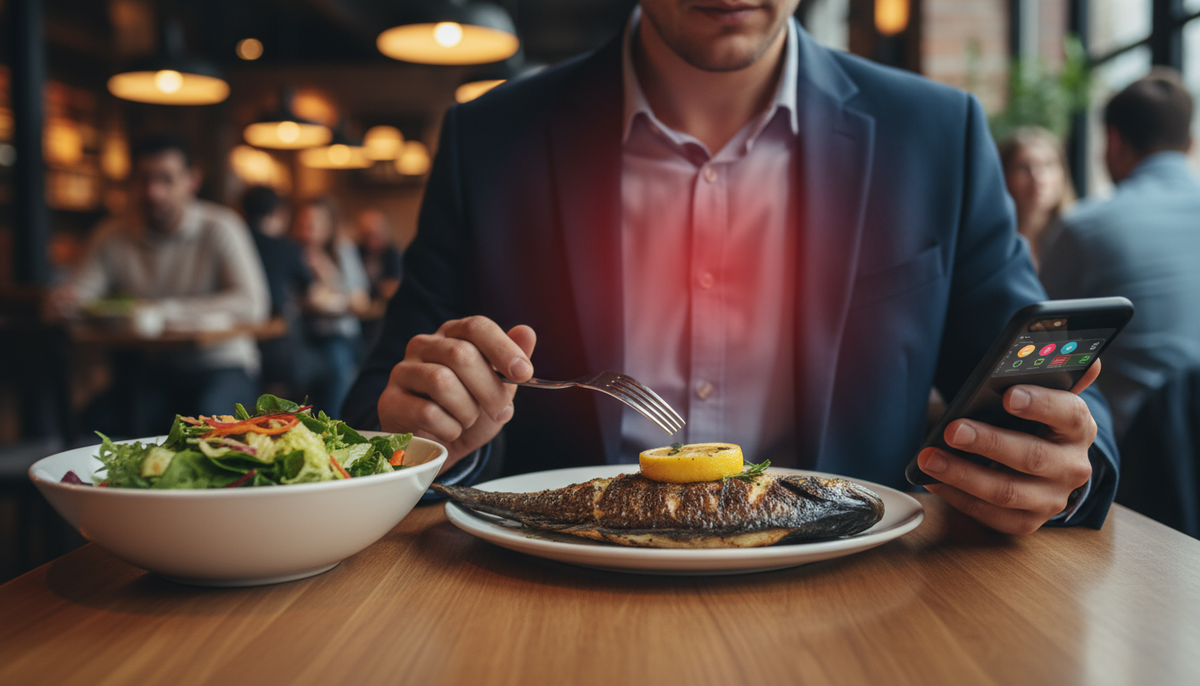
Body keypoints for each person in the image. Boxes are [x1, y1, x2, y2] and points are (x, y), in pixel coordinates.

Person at [344, 0, 1118, 534]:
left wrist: (1060, 466)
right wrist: (429, 430)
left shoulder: (934, 135)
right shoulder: (491, 140)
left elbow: (1040, 381)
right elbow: (380, 412)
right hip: (560, 598)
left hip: (856, 602)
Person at [57, 134, 269, 435]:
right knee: (93, 425)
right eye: (144, 180)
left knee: (207, 432)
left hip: (222, 365)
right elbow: (81, 296)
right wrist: (67, 302)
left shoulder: (221, 227)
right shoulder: (112, 235)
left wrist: (161, 311)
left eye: (166, 180)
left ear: (192, 181)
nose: (153, 192)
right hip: (153, 369)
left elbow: (253, 304)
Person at [1040, 69, 1200, 442]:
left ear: (1114, 142)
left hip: (1137, 464)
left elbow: (1031, 356)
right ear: (1190, 143)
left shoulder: (1087, 229)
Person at [292, 198, 370, 417]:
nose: (308, 230)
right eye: (304, 223)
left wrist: (323, 268)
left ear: (328, 226)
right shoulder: (292, 252)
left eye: (314, 223)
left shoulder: (342, 250)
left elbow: (359, 298)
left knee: (337, 364)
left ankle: (336, 425)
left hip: (338, 334)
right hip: (302, 335)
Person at [242, 186, 321, 398]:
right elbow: (310, 291)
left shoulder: (237, 242)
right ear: (278, 212)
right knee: (330, 364)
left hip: (242, 339)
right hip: (276, 347)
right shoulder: (286, 247)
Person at [998, 126, 1075, 268]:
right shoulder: (994, 242)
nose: (1038, 177)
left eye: (1048, 165)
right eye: (1023, 167)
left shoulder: (1077, 236)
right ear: (1004, 175)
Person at [355, 209, 404, 302]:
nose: (371, 239)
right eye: (367, 234)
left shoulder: (393, 254)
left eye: (374, 234)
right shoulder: (355, 252)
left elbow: (391, 288)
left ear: (385, 231)